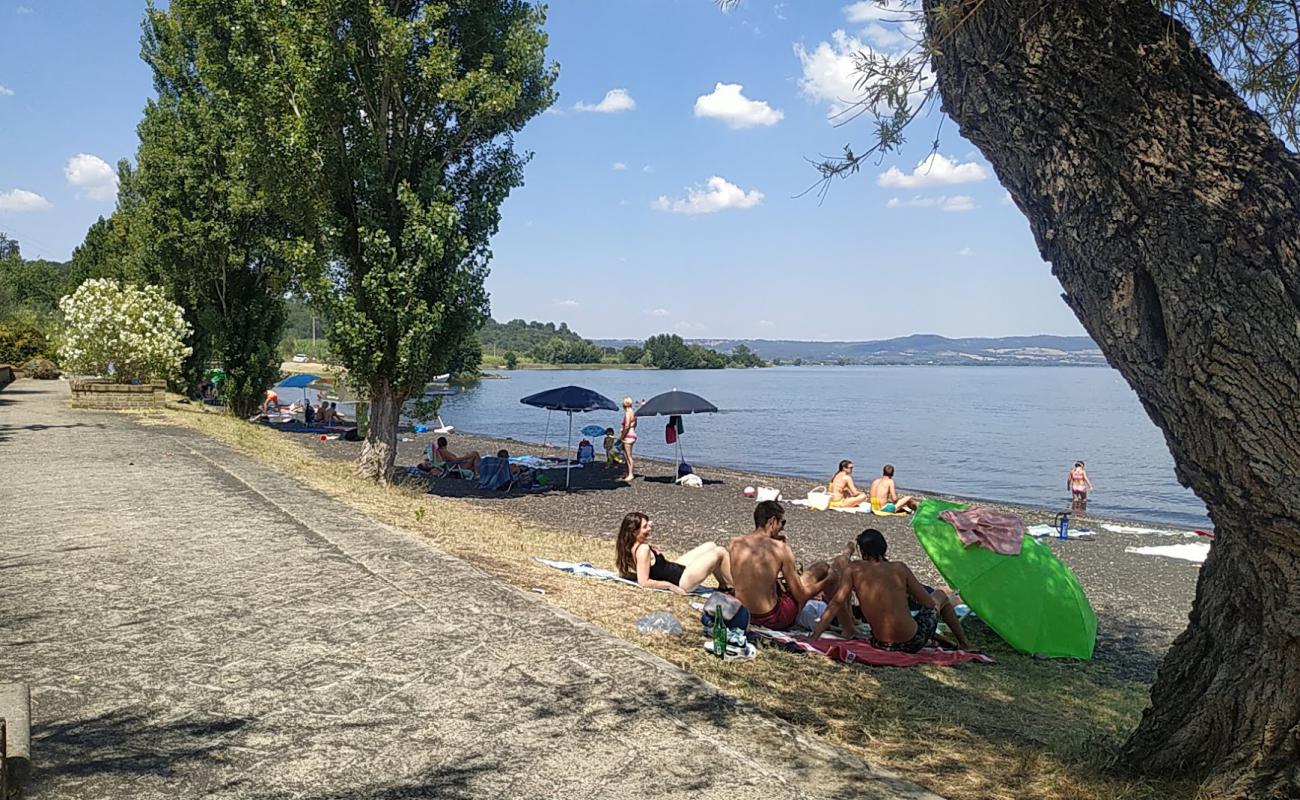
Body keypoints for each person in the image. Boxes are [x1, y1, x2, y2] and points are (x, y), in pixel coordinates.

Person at [812, 529, 974, 652]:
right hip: (912, 642)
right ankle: (965, 644)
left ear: (862, 551)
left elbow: (836, 603)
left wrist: (814, 637)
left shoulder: (854, 569)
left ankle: (944, 641)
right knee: (941, 595)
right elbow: (929, 603)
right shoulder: (899, 569)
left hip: (881, 643)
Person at [728, 501, 835, 631]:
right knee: (822, 568)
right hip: (772, 619)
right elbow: (801, 595)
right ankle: (846, 624)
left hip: (743, 613)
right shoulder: (781, 549)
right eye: (782, 522)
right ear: (772, 521)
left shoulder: (735, 543)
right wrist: (827, 582)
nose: (782, 528)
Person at [615, 512, 733, 594]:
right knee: (720, 551)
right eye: (645, 527)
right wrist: (669, 586)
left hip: (673, 569)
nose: (649, 529)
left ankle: (724, 586)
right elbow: (644, 582)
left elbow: (634, 573)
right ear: (634, 532)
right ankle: (736, 589)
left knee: (711, 545)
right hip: (682, 581)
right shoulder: (642, 549)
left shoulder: (629, 547)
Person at [618, 396, 638, 482]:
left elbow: (627, 426)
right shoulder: (633, 412)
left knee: (628, 455)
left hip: (628, 435)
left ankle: (630, 474)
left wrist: (622, 436)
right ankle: (627, 472)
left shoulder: (628, 413)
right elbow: (635, 424)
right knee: (626, 454)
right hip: (632, 433)